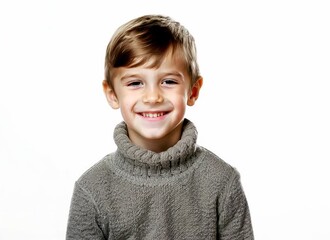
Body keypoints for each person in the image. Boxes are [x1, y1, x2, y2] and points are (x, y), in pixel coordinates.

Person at [66, 14, 254, 240]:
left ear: (193, 91)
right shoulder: (92, 190)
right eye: (135, 83)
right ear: (112, 94)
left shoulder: (222, 182)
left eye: (169, 81)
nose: (153, 97)